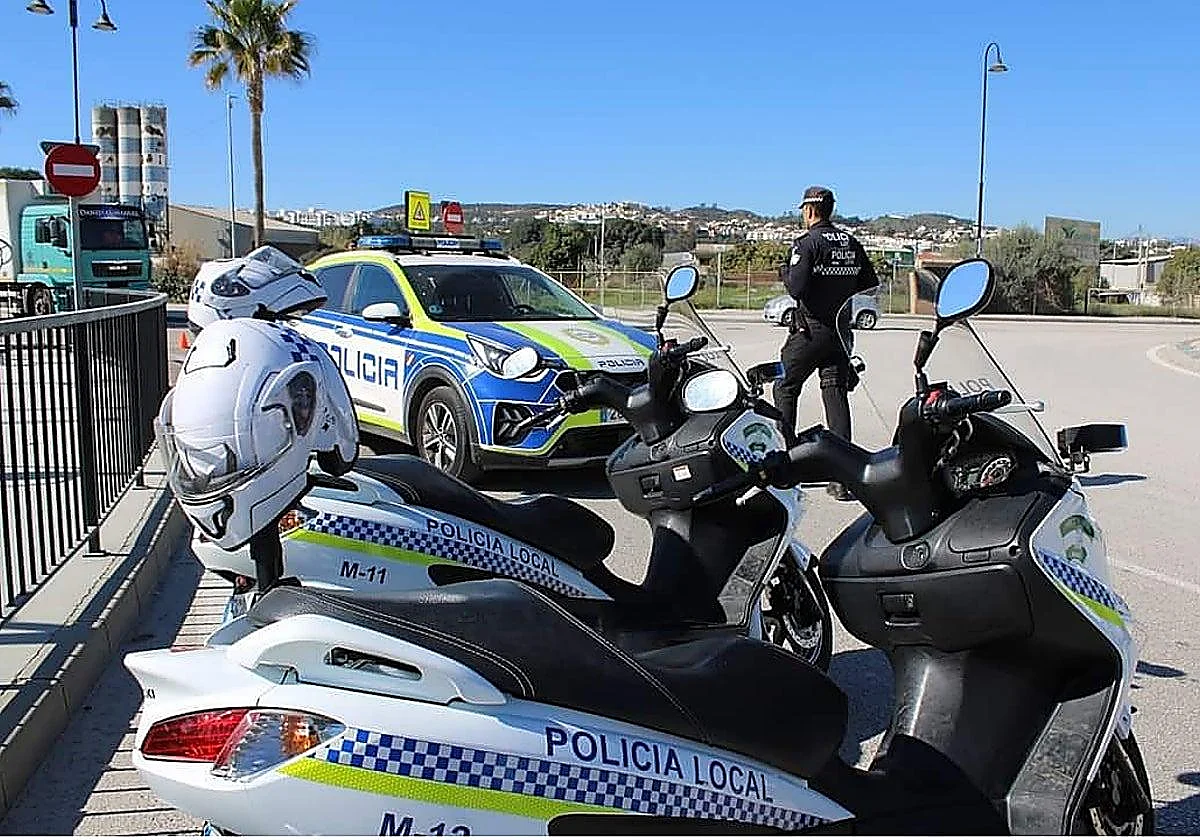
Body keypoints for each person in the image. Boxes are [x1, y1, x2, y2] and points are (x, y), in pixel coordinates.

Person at [774, 186, 877, 501]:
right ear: (830, 209)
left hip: (810, 332)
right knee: (834, 395)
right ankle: (842, 478)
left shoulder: (807, 244)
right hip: (841, 333)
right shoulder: (849, 241)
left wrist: (784, 272)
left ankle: (786, 467)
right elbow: (869, 282)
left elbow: (797, 288)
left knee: (785, 387)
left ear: (808, 210)